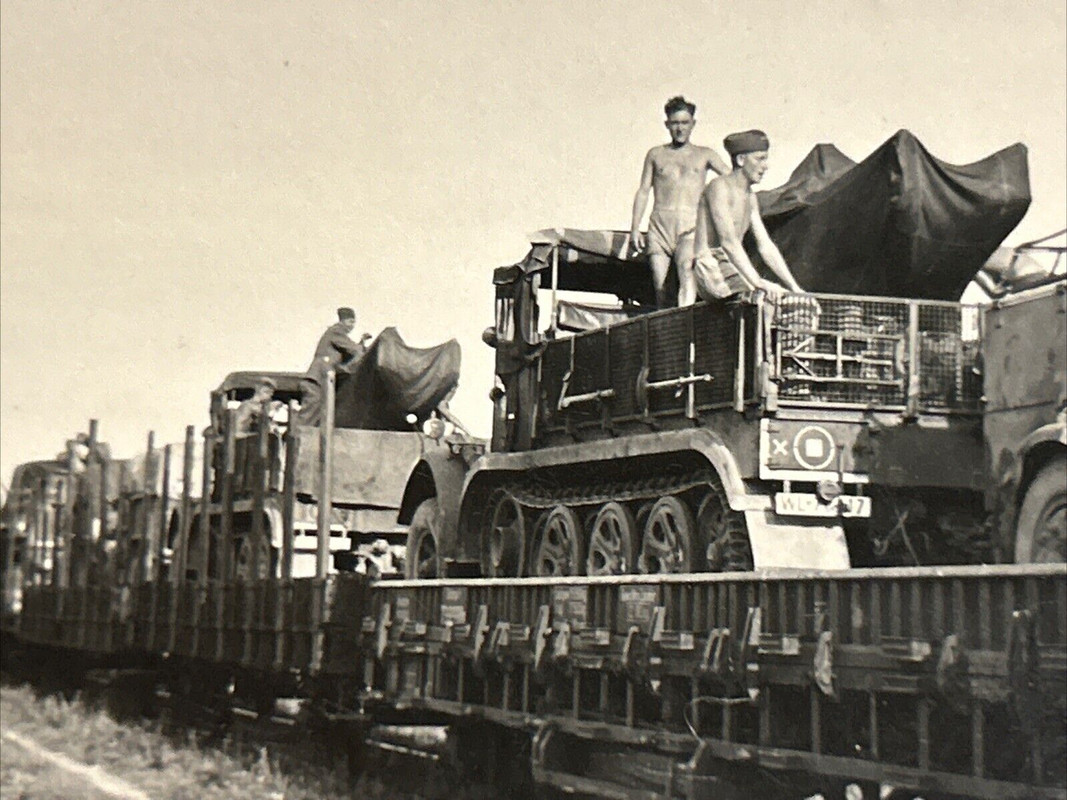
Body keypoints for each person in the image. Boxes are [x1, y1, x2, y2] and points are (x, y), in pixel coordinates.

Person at [630, 96, 730, 308]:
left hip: (690, 227)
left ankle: (686, 333)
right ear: (667, 124)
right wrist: (635, 229)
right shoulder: (656, 154)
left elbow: (732, 181)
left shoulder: (705, 155)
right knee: (660, 289)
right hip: (659, 228)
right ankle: (667, 338)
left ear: (693, 124)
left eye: (684, 123)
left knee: (687, 271)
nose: (679, 128)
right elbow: (643, 190)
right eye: (675, 123)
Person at [693, 129, 803, 301]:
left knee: (784, 299)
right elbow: (728, 243)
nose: (765, 166)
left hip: (729, 266)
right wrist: (758, 283)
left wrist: (794, 287)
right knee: (761, 299)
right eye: (760, 159)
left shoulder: (750, 197)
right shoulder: (719, 187)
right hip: (710, 265)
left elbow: (765, 245)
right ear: (741, 160)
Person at [298, 307, 372, 425]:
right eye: (350, 322)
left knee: (317, 415)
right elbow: (354, 350)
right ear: (342, 321)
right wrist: (366, 349)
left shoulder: (337, 334)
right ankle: (294, 441)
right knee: (309, 414)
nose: (352, 326)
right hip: (317, 379)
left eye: (354, 323)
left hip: (323, 379)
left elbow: (351, 352)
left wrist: (362, 343)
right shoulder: (336, 331)